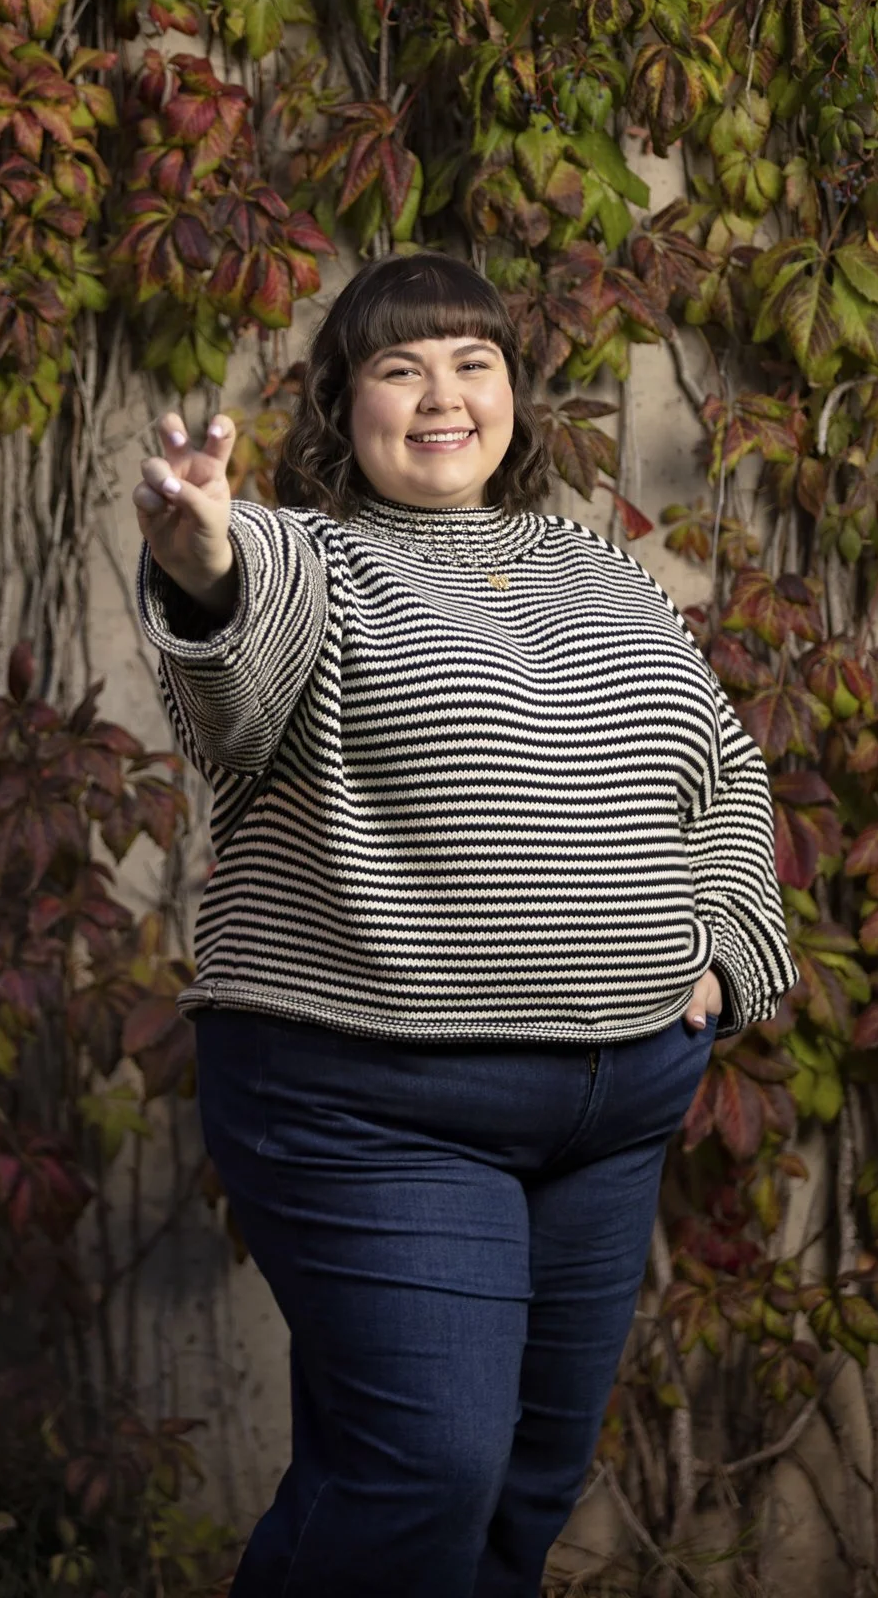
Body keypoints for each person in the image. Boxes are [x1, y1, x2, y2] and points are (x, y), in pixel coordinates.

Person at [130, 252, 797, 1598]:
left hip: (612, 1108)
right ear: (342, 407)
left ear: (512, 396)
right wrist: (200, 547)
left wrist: (728, 951)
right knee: (422, 1474)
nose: (442, 395)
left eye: (471, 362)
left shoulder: (601, 576)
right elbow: (234, 629)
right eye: (398, 366)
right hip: (372, 1105)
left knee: (516, 1497)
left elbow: (722, 772)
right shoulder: (318, 563)